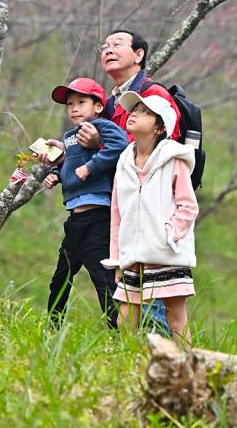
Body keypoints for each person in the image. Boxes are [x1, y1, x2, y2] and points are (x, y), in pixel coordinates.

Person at [77, 27, 181, 334]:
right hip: (120, 205)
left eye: (117, 44)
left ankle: (156, 352)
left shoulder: (153, 96)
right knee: (125, 283)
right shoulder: (108, 104)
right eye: (105, 45)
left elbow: (160, 151)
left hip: (150, 208)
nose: (107, 49)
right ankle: (133, 349)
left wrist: (103, 144)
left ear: (139, 54)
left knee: (150, 282)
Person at [106, 89, 198, 341]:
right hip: (133, 257)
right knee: (124, 319)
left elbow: (188, 206)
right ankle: (125, 371)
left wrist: (168, 236)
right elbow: (117, 214)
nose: (134, 114)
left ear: (159, 127)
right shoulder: (124, 162)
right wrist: (117, 258)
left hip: (167, 254)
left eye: (144, 112)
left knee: (176, 319)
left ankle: (186, 371)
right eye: (134, 110)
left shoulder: (173, 160)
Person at [41, 77, 128, 328]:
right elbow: (70, 165)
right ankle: (53, 327)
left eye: (81, 102)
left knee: (103, 278)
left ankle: (118, 331)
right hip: (75, 218)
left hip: (99, 216)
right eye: (70, 104)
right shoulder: (69, 136)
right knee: (61, 276)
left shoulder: (103, 126)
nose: (74, 108)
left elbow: (120, 147)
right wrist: (55, 174)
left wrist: (90, 167)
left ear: (98, 106)